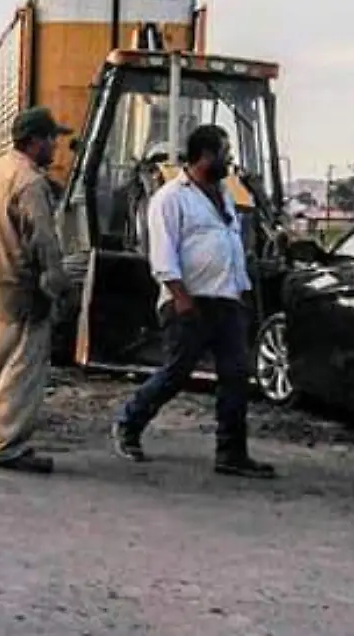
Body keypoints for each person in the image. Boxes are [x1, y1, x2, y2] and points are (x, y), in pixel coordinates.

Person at [112, 125, 277, 479]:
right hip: (187, 301)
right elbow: (163, 255)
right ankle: (129, 423)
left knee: (235, 376)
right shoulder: (170, 198)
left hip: (227, 300)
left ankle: (231, 453)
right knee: (176, 373)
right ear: (204, 156)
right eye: (224, 152)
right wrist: (182, 298)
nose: (229, 159)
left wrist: (241, 289)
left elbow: (231, 244)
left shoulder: (225, 195)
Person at [0, 106, 76, 473]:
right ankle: (4, 446)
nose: (55, 147)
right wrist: (58, 283)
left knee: (4, 365)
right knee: (22, 370)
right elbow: (44, 240)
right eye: (51, 139)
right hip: (24, 289)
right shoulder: (30, 183)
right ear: (34, 141)